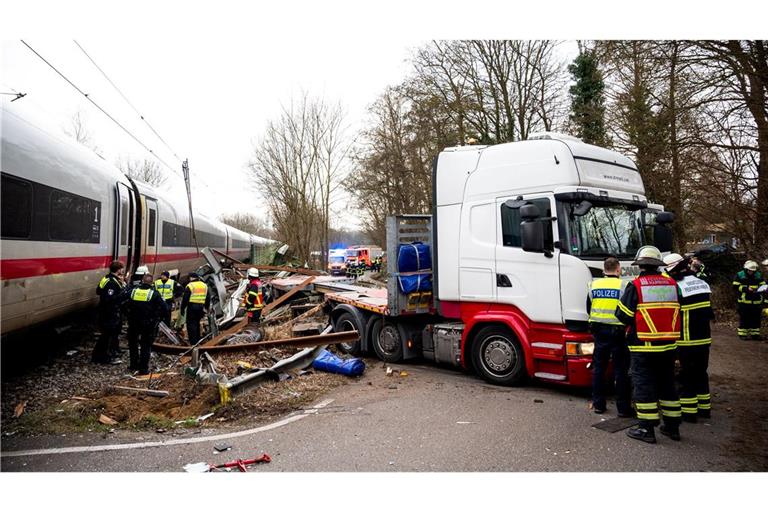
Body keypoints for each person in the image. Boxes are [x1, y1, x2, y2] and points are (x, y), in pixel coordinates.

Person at [615, 246, 682, 444]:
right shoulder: (672, 285)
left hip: (643, 346)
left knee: (644, 386)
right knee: (668, 385)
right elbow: (679, 309)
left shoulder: (636, 286)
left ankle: (646, 428)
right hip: (669, 346)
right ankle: (672, 427)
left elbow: (623, 315)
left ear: (641, 265)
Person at [664, 253, 715, 422]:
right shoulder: (701, 282)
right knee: (701, 373)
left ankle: (689, 412)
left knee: (687, 375)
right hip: (704, 338)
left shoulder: (677, 287)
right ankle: (704, 408)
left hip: (687, 339)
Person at [586, 257, 632, 417]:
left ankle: (598, 404)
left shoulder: (593, 285)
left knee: (599, 369)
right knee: (621, 371)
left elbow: (589, 307)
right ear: (618, 269)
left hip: (598, 331)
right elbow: (628, 310)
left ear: (604, 270)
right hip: (618, 333)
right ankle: (623, 408)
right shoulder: (624, 285)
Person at [126, 273, 168, 375]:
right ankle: (143, 369)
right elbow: (165, 308)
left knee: (133, 343)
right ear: (151, 282)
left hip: (133, 322)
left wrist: (127, 315)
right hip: (148, 324)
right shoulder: (154, 293)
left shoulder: (133, 291)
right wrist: (158, 319)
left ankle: (133, 365)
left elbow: (123, 302)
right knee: (146, 345)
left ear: (142, 281)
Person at [92, 260, 128, 364]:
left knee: (108, 335)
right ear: (118, 270)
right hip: (109, 312)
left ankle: (105, 354)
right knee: (106, 336)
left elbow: (98, 290)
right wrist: (124, 294)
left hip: (107, 311)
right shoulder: (112, 282)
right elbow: (110, 299)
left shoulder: (106, 279)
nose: (123, 270)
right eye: (122, 268)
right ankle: (103, 357)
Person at [732, 260, 765, 340]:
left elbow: (762, 284)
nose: (752, 272)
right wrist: (746, 289)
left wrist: (762, 288)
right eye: (750, 270)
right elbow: (735, 286)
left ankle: (755, 334)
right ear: (746, 269)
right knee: (744, 318)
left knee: (756, 318)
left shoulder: (758, 275)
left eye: (753, 271)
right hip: (744, 301)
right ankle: (743, 334)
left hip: (756, 300)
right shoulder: (740, 275)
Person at [181, 272, 210, 345]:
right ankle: (197, 340)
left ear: (191, 278)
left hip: (192, 307)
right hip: (200, 307)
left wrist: (182, 308)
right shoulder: (204, 285)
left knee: (191, 324)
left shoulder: (190, 285)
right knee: (197, 323)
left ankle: (193, 342)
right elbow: (208, 297)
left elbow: (185, 299)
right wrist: (206, 307)